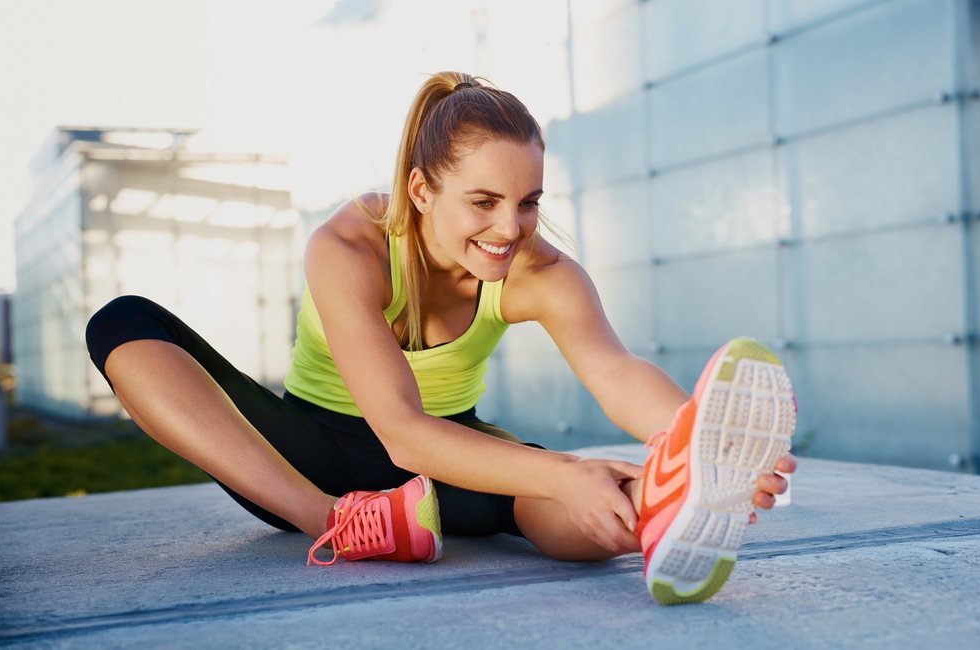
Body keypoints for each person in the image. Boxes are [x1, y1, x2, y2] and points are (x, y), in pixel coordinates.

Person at [85, 71, 797, 605]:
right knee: (122, 322)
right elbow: (398, 432)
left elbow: (613, 371)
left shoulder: (538, 270)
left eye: (528, 203)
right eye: (484, 202)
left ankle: (661, 506)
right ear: (422, 191)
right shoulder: (350, 244)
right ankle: (337, 521)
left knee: (580, 498)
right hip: (304, 453)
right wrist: (563, 469)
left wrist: (697, 442)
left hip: (447, 459)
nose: (510, 228)